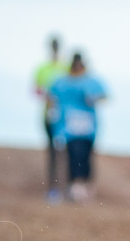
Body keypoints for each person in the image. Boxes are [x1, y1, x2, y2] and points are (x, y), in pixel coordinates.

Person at [47, 52, 108, 202]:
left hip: (88, 126)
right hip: (69, 126)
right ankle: (74, 184)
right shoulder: (62, 81)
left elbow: (104, 95)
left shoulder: (91, 81)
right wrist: (52, 113)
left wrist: (93, 98)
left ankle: (86, 184)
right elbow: (50, 95)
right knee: (73, 153)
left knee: (86, 154)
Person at [33, 35, 68, 203]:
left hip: (66, 116)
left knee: (68, 151)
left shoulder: (66, 67)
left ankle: (67, 187)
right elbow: (36, 90)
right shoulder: (42, 68)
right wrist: (49, 97)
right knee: (53, 152)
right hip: (49, 113)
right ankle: (53, 189)